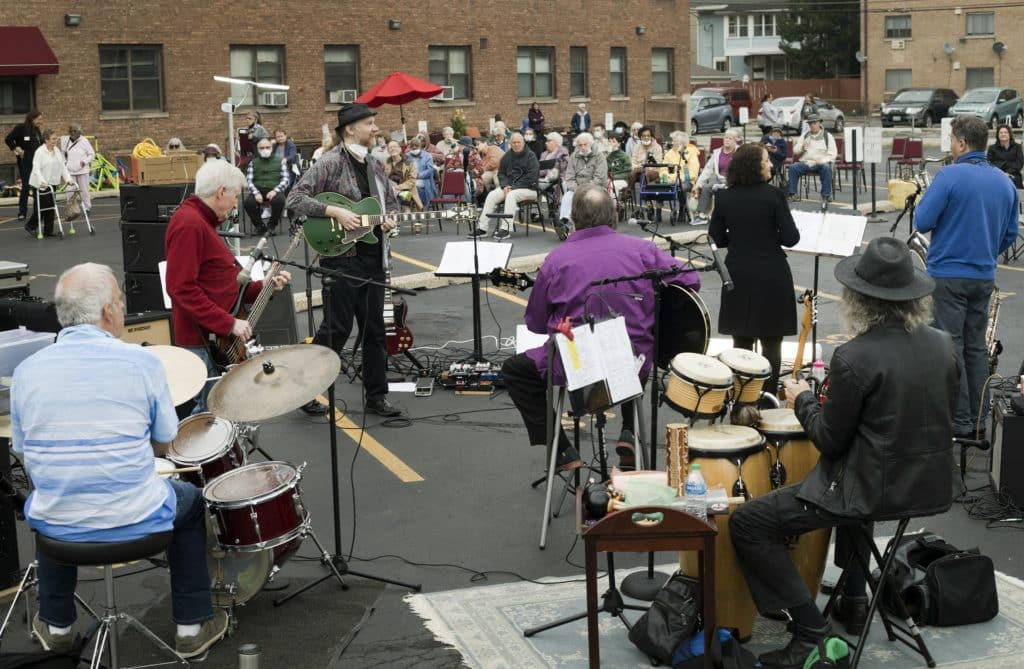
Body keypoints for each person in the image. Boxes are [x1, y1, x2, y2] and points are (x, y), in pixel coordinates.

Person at [730, 237, 959, 669]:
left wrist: (802, 399)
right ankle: (854, 599)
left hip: (873, 490)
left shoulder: (854, 357)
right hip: (927, 485)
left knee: (749, 521)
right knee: (861, 483)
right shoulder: (944, 344)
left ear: (859, 300)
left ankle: (809, 630)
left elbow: (829, 440)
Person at [11, 263, 229, 658]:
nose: (125, 309)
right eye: (121, 301)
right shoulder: (143, 364)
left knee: (56, 493)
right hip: (137, 519)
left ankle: (57, 624)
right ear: (108, 312)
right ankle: (191, 626)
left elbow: (26, 453)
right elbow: (165, 443)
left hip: (57, 528)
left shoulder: (26, 372)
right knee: (190, 500)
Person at [502, 184, 700, 470]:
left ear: (574, 218)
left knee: (514, 370)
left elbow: (535, 323)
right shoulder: (643, 249)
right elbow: (691, 280)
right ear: (613, 214)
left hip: (579, 367)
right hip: (633, 363)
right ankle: (629, 432)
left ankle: (563, 452)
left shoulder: (557, 260)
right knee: (633, 341)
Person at [286, 102, 402, 418]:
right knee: (336, 328)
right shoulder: (330, 163)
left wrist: (390, 219)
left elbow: (392, 204)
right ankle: (303, 389)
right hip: (341, 258)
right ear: (350, 129)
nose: (375, 128)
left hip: (373, 257)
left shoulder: (376, 166)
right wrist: (334, 211)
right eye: (369, 123)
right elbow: (295, 198)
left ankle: (377, 397)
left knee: (375, 329)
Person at [914, 114, 1020, 439]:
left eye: (951, 141)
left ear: (961, 142)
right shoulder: (1005, 181)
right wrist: (986, 252)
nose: (950, 146)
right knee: (976, 348)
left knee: (951, 347)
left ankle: (959, 422)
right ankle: (979, 420)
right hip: (983, 276)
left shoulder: (949, 175)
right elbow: (1011, 233)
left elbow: (922, 219)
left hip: (947, 274)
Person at [165, 160, 292, 413]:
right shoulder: (190, 223)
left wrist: (262, 286)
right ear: (221, 192)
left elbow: (222, 284)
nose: (236, 204)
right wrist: (229, 324)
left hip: (214, 339)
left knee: (219, 414)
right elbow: (180, 288)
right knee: (209, 416)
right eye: (235, 195)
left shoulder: (200, 221)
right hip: (205, 343)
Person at [708, 143, 799, 393]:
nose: (771, 164)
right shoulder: (774, 195)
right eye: (766, 160)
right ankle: (768, 399)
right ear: (755, 166)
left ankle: (744, 400)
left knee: (742, 342)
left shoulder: (724, 197)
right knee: (772, 344)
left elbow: (716, 236)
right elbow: (791, 238)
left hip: (738, 274)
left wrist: (738, 237)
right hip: (772, 274)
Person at [472, 132, 539, 241]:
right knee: (492, 195)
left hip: (529, 189)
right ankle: (482, 228)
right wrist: (505, 185)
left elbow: (532, 177)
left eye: (518, 142)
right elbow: (501, 173)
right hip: (510, 187)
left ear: (523, 143)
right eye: (514, 142)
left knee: (511, 195)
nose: (516, 144)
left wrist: (513, 187)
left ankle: (505, 229)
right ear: (510, 144)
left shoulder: (531, 156)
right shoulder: (507, 156)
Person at [25, 129, 72, 238]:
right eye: (53, 139)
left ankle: (48, 231)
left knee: (51, 207)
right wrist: (42, 181)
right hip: (40, 183)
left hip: (52, 183)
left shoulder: (56, 150)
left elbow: (62, 167)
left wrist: (68, 179)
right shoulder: (40, 152)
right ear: (46, 140)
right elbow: (36, 169)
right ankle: (30, 226)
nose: (56, 140)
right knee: (42, 206)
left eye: (56, 138)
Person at [559, 132, 608, 237]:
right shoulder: (574, 156)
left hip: (596, 188)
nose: (583, 147)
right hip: (577, 188)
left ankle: (589, 226)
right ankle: (566, 222)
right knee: (567, 197)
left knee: (590, 198)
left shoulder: (599, 156)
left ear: (591, 144)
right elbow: (569, 177)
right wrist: (577, 189)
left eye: (585, 144)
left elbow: (599, 178)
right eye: (580, 145)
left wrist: (586, 189)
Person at [243, 137, 291, 235]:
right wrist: (256, 193)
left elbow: (286, 179)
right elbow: (249, 180)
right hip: (258, 190)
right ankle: (259, 226)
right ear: (257, 149)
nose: (265, 149)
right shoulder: (253, 162)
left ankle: (271, 226)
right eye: (262, 148)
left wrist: (275, 191)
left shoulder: (280, 161)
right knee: (248, 203)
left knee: (279, 201)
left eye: (267, 147)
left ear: (271, 148)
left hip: (274, 190)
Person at [693, 127, 741, 223]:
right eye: (726, 137)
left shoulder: (740, 152)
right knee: (706, 187)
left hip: (734, 180)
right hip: (720, 180)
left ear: (736, 141)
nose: (727, 140)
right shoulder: (717, 152)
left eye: (730, 138)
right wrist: (698, 184)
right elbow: (707, 170)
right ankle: (701, 215)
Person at [787, 114, 836, 203]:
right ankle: (792, 194)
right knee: (793, 167)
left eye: (814, 123)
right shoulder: (805, 135)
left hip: (821, 163)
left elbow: (833, 154)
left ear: (819, 123)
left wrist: (822, 161)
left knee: (826, 168)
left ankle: (826, 195)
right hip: (806, 163)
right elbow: (795, 151)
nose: (812, 125)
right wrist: (801, 148)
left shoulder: (827, 136)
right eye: (810, 124)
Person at [4, 109, 44, 220]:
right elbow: (8, 139)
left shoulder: (37, 130)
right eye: (39, 119)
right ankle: (22, 213)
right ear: (32, 118)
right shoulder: (21, 128)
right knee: (26, 186)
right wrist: (17, 148)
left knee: (37, 185)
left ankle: (38, 212)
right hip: (25, 161)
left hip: (37, 161)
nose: (41, 121)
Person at [661, 131, 701, 221]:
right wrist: (667, 177)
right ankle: (658, 211)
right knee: (660, 185)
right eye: (673, 141)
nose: (672, 143)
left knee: (680, 186)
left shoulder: (690, 153)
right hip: (671, 180)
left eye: (675, 141)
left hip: (688, 181)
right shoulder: (669, 153)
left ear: (682, 142)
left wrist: (677, 178)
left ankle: (682, 208)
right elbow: (663, 169)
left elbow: (693, 173)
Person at [61, 124, 95, 214]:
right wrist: (65, 163)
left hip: (82, 170)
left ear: (80, 131)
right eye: (71, 131)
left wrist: (84, 161)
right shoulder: (65, 141)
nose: (73, 133)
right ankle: (71, 208)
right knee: (70, 191)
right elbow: (62, 154)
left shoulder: (84, 141)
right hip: (70, 171)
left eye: (75, 131)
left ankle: (87, 208)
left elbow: (92, 154)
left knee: (84, 190)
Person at [386, 139, 423, 210]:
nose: (392, 149)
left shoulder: (409, 163)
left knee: (405, 198)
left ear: (400, 149)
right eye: (390, 147)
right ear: (388, 151)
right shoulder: (386, 164)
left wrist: (397, 188)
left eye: (395, 146)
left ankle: (406, 209)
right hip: (390, 193)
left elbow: (411, 182)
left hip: (406, 192)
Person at [986, 124, 1023, 188]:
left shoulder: (1017, 147)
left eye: (1005, 132)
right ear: (998, 135)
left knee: (1013, 182)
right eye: (1001, 133)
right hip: (997, 175)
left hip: (1013, 174)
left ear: (1009, 134)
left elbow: (1020, 163)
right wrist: (1002, 174)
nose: (1003, 134)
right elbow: (989, 163)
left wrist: (1008, 173)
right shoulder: (992, 148)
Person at [407, 135, 438, 208]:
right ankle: (414, 206)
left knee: (416, 186)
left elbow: (430, 170)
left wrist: (419, 175)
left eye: (416, 145)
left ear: (420, 146)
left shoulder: (427, 156)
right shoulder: (407, 156)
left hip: (423, 180)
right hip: (410, 179)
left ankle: (421, 205)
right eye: (412, 145)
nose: (414, 147)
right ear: (410, 147)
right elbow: (404, 169)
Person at [606, 134, 632, 198]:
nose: (611, 143)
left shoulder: (624, 156)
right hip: (609, 179)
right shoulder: (608, 156)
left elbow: (627, 171)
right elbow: (605, 170)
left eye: (613, 141)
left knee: (612, 185)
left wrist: (613, 178)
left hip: (622, 179)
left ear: (619, 144)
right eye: (609, 141)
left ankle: (613, 206)